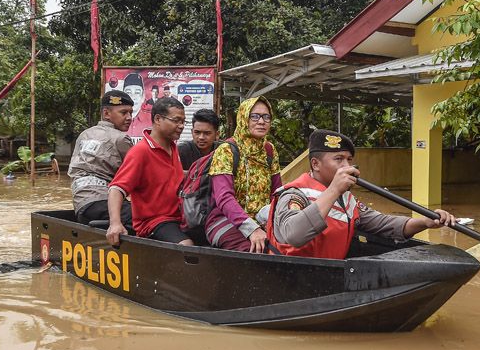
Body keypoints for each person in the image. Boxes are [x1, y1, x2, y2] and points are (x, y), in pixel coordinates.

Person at [266, 130, 457, 259]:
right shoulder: (293, 195)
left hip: (331, 272)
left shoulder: (347, 200)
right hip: (294, 277)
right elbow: (293, 235)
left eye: (349, 160)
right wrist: (333, 190)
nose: (346, 166)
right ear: (315, 164)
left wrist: (425, 222)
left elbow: (384, 224)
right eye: (338, 159)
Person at [106, 97, 193, 246]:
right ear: (158, 119)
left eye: (183, 121)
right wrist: (115, 224)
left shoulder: (173, 147)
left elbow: (169, 176)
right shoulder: (140, 152)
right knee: (186, 246)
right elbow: (117, 188)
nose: (181, 126)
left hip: (180, 218)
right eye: (176, 120)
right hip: (154, 222)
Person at [205, 97, 281, 252]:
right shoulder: (226, 150)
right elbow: (224, 197)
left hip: (263, 221)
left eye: (266, 117)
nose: (261, 121)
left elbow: (277, 193)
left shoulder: (269, 150)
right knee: (259, 251)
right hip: (225, 220)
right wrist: (251, 229)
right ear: (243, 117)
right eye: (254, 116)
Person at [67, 90, 134, 229]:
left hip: (81, 205)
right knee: (150, 219)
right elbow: (137, 176)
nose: (129, 117)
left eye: (131, 113)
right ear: (106, 114)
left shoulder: (84, 134)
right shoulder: (120, 139)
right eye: (124, 112)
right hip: (105, 203)